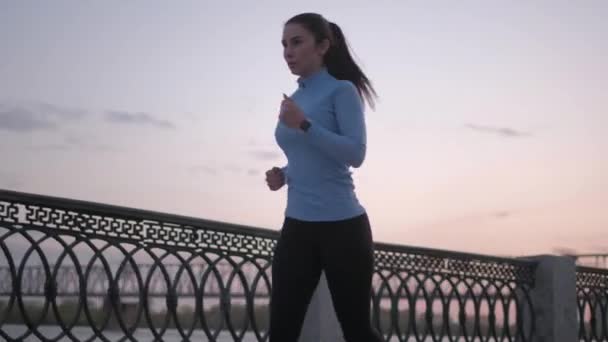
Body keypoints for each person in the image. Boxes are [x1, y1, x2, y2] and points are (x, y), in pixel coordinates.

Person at [265, 12, 383, 342]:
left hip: (343, 227)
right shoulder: (297, 98)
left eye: (297, 42)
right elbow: (309, 157)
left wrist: (304, 124)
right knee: (281, 332)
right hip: (297, 228)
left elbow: (355, 154)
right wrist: (284, 174)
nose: (288, 51)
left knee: (357, 331)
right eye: (285, 44)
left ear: (323, 46)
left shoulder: (341, 91)